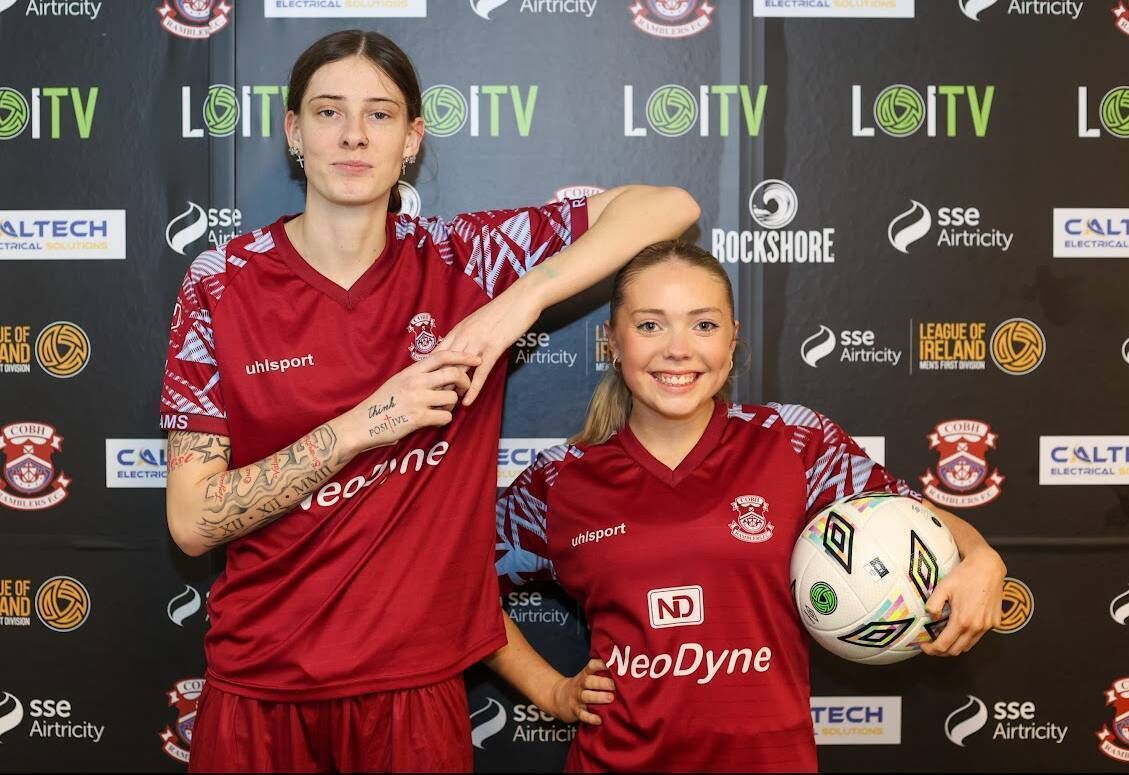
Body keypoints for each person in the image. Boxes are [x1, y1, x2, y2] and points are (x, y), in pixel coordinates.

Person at [160, 30, 699, 773]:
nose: (353, 135)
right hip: (261, 686)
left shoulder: (464, 260)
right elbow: (191, 522)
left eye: (380, 115)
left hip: (413, 693)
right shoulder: (222, 281)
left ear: (412, 139)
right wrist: (364, 424)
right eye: (328, 112)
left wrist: (519, 302)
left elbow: (668, 205)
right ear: (294, 132)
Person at [489, 240, 1007, 773]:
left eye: (703, 325)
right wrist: (551, 691)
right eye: (649, 325)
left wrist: (982, 556)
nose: (678, 349)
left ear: (732, 340)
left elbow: (916, 517)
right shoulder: (560, 480)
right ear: (612, 341)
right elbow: (460, 585)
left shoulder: (797, 443)